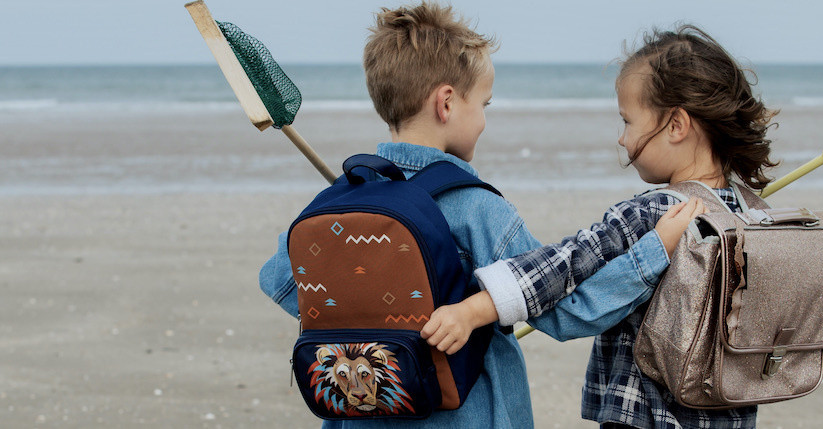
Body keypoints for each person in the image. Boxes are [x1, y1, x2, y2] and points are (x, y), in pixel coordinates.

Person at [257, 3, 695, 427]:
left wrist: (361, 307)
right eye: (483, 104)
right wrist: (653, 253)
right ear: (446, 103)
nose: (484, 120)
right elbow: (567, 311)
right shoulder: (477, 207)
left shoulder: (346, 199)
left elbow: (277, 277)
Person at [421, 25, 780, 428]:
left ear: (676, 126)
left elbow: (565, 265)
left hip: (645, 416)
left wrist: (475, 309)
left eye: (628, 121)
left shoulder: (656, 211)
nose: (623, 140)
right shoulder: (752, 216)